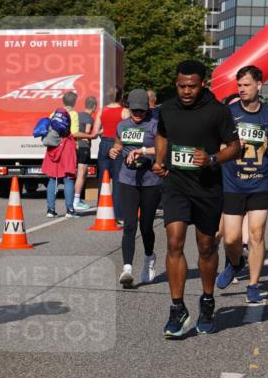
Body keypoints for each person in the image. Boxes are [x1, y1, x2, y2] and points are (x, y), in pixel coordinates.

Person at [152, 59, 240, 338]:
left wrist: (213, 158)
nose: (186, 91)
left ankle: (207, 300)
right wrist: (159, 159)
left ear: (203, 83)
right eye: (181, 86)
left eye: (192, 86)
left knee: (205, 248)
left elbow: (236, 147)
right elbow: (162, 135)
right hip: (176, 184)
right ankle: (177, 309)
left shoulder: (218, 112)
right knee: (174, 241)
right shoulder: (166, 109)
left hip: (207, 187)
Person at [214, 65, 268, 305]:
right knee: (231, 239)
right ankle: (236, 263)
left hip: (260, 182)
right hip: (233, 182)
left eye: (246, 85)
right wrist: (230, 146)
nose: (242, 89)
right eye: (239, 86)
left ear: (259, 85)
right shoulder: (228, 113)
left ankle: (253, 284)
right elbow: (215, 146)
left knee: (256, 234)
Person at [110, 89, 161, 287]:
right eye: (134, 111)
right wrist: (115, 151)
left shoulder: (155, 125)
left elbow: (163, 149)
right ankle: (127, 268)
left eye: (141, 111)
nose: (138, 114)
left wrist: (143, 151)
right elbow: (118, 145)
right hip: (127, 179)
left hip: (151, 181)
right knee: (129, 225)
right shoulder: (122, 125)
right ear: (128, 108)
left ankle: (149, 258)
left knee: (146, 226)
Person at [92, 91, 129, 224]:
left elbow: (95, 132)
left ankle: (102, 211)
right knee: (118, 179)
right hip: (118, 144)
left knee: (103, 178)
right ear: (121, 97)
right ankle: (118, 215)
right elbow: (128, 130)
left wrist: (104, 130)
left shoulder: (102, 111)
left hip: (104, 144)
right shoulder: (125, 111)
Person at [42, 107, 78, 218]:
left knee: (53, 179)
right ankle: (69, 209)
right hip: (67, 147)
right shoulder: (71, 114)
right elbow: (73, 132)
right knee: (68, 179)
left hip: (53, 149)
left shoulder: (53, 114)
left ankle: (50, 210)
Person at [73, 96, 97, 210]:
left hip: (75, 147)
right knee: (82, 174)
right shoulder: (89, 118)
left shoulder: (77, 115)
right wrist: (94, 134)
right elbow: (87, 133)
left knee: (77, 173)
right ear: (94, 106)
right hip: (84, 148)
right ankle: (76, 200)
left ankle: (75, 199)